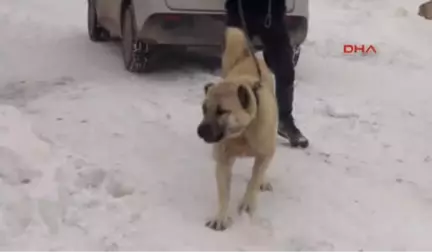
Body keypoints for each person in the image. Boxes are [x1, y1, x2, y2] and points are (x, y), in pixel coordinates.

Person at [224, 0, 309, 148]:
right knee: (234, 67)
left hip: (272, 15)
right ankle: (228, 117)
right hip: (240, 13)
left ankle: (284, 119)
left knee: (285, 69)